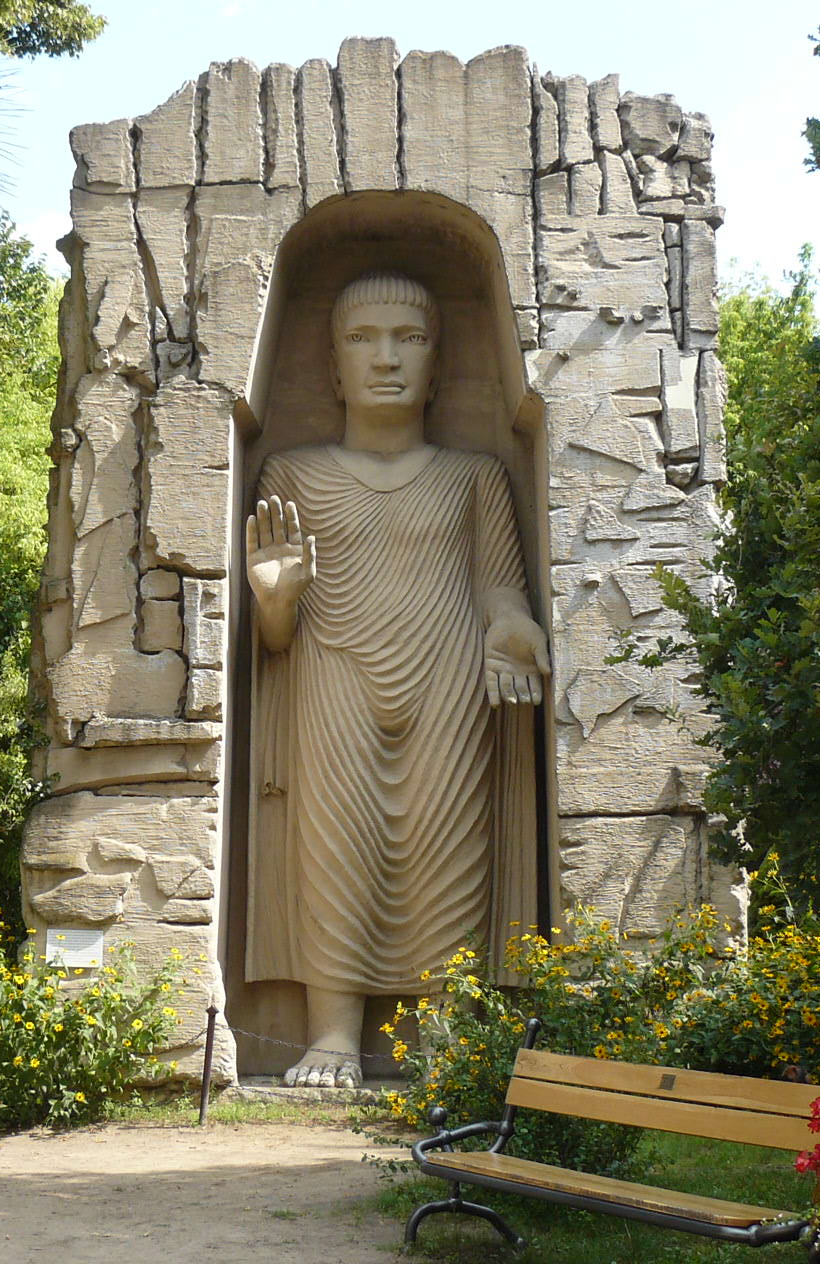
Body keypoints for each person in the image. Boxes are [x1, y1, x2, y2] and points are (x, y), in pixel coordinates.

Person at [243, 269, 547, 1088]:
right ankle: (332, 1035)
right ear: (332, 367)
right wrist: (276, 599)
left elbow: (499, 589)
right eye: (361, 339)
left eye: (409, 339)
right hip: (329, 675)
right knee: (333, 850)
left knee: (447, 849)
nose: (386, 358)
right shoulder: (293, 476)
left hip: (448, 681)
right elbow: (274, 634)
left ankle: (447, 1035)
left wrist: (513, 630)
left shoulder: (474, 474)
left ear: (439, 365)